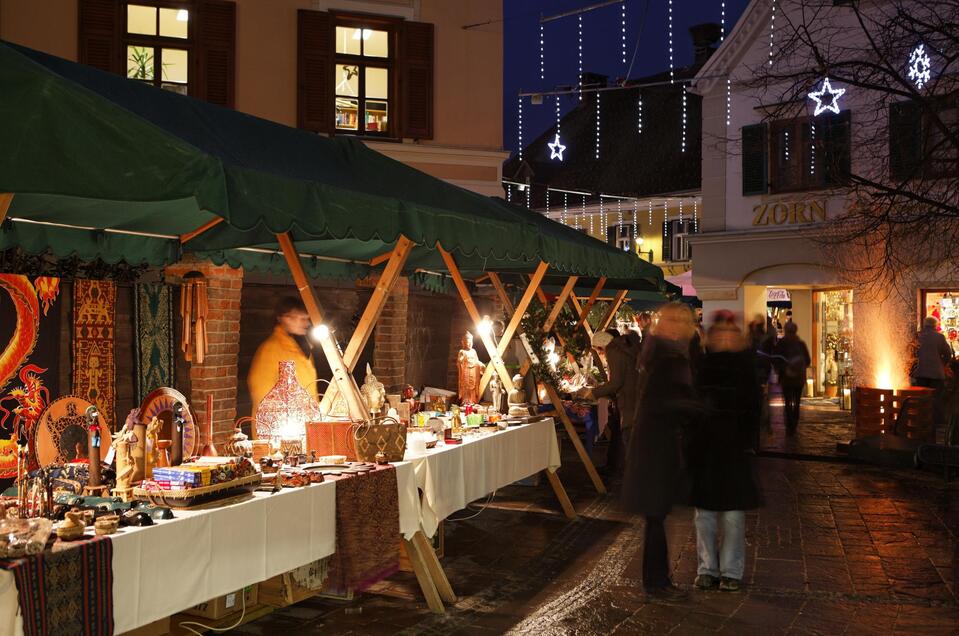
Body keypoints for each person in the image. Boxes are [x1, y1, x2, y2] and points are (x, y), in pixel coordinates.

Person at [622, 302, 701, 601]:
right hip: (655, 449)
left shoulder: (659, 353)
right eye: (680, 321)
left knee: (656, 517)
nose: (686, 326)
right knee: (655, 516)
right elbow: (664, 403)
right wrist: (695, 408)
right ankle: (656, 582)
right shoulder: (667, 356)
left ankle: (658, 579)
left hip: (655, 446)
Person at [689, 311, 762, 593]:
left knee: (732, 515)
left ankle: (731, 571)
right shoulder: (702, 366)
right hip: (705, 451)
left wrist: (746, 441)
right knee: (704, 515)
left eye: (730, 334)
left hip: (733, 452)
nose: (724, 338)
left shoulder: (745, 367)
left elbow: (754, 410)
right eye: (720, 334)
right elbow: (692, 405)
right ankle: (707, 568)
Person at [248, 297, 319, 419]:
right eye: (301, 319)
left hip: (306, 423)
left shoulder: (302, 349)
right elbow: (261, 392)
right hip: (280, 427)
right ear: (285, 318)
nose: (306, 323)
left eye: (307, 319)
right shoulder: (270, 350)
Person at [581, 329, 639, 476]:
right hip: (632, 396)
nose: (599, 353)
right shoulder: (622, 349)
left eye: (597, 349)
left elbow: (616, 382)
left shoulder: (613, 351)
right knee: (624, 435)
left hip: (628, 399)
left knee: (627, 435)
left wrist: (593, 393)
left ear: (601, 345)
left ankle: (631, 474)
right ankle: (623, 469)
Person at [773, 322, 810, 434]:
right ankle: (794, 422)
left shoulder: (781, 344)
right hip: (798, 378)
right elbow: (807, 360)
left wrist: (781, 369)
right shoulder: (801, 344)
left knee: (788, 401)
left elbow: (776, 359)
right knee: (797, 402)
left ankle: (790, 425)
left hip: (786, 378)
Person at [914, 316, 952, 390]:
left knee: (921, 396)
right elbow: (948, 354)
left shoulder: (918, 336)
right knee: (936, 397)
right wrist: (942, 364)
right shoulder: (940, 337)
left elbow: (912, 352)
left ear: (924, 324)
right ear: (935, 325)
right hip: (936, 373)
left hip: (921, 372)